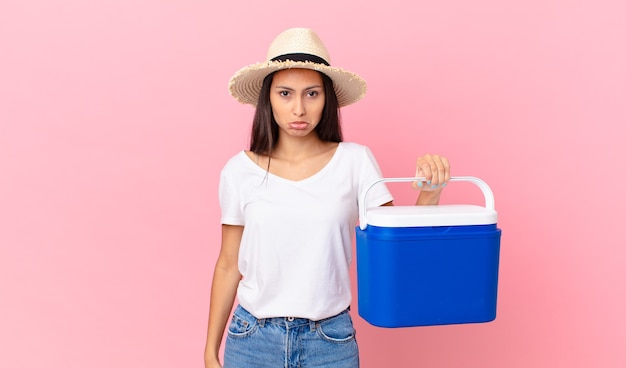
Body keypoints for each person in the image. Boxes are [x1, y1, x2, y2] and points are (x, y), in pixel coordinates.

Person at [204, 28, 450, 368]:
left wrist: (430, 194)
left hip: (330, 342)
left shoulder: (355, 161)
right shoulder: (238, 171)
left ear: (327, 99)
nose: (299, 109)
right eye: (286, 93)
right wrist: (209, 351)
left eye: (312, 94)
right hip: (251, 341)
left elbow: (396, 249)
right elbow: (228, 265)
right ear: (268, 98)